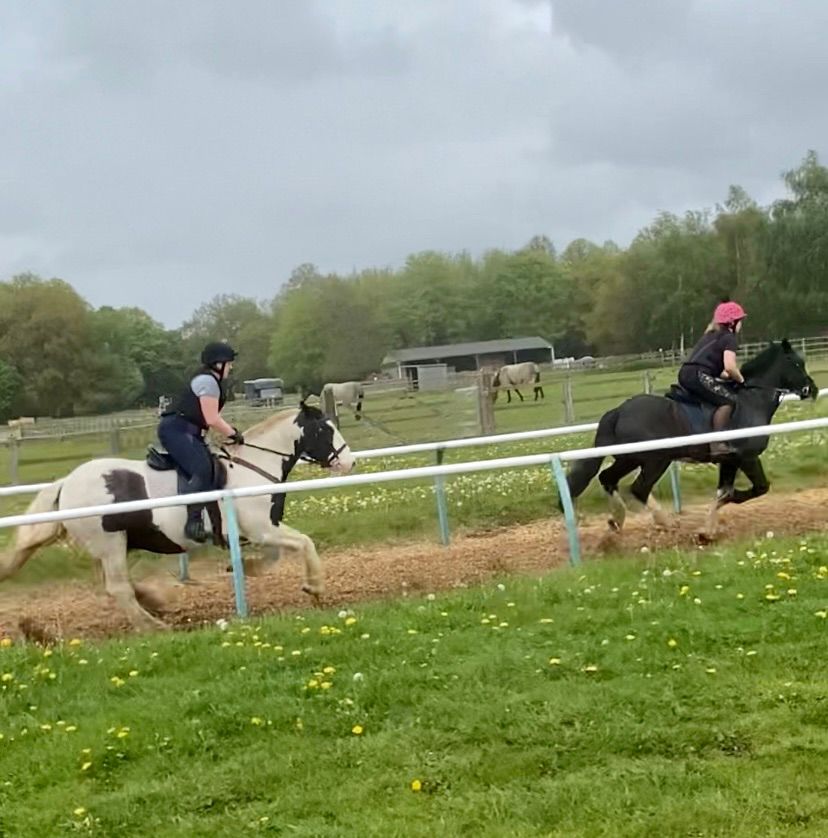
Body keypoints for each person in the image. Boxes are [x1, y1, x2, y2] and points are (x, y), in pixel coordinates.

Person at [158, 341, 244, 542]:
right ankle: (193, 522)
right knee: (202, 468)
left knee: (212, 466)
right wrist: (234, 434)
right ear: (218, 364)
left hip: (187, 431)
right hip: (176, 431)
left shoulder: (209, 381)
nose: (231, 368)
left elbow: (206, 420)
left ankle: (217, 530)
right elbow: (212, 419)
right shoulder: (208, 383)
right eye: (229, 364)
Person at [677, 301, 746, 458]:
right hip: (698, 375)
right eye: (740, 320)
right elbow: (730, 366)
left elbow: (717, 369)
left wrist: (726, 375)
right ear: (732, 322)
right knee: (728, 401)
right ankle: (717, 444)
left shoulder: (710, 335)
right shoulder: (729, 338)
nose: (741, 324)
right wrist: (741, 380)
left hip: (686, 373)